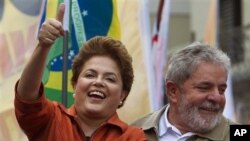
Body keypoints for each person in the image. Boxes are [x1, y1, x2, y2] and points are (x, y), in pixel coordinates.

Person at [14, 3, 146, 141]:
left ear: (123, 95)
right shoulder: (50, 120)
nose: (98, 82)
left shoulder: (134, 138)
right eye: (90, 75)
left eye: (110, 79)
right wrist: (43, 46)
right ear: (75, 85)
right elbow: (26, 98)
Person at [131, 42, 236, 141]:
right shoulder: (133, 131)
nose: (217, 97)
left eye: (222, 90)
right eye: (204, 87)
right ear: (173, 91)